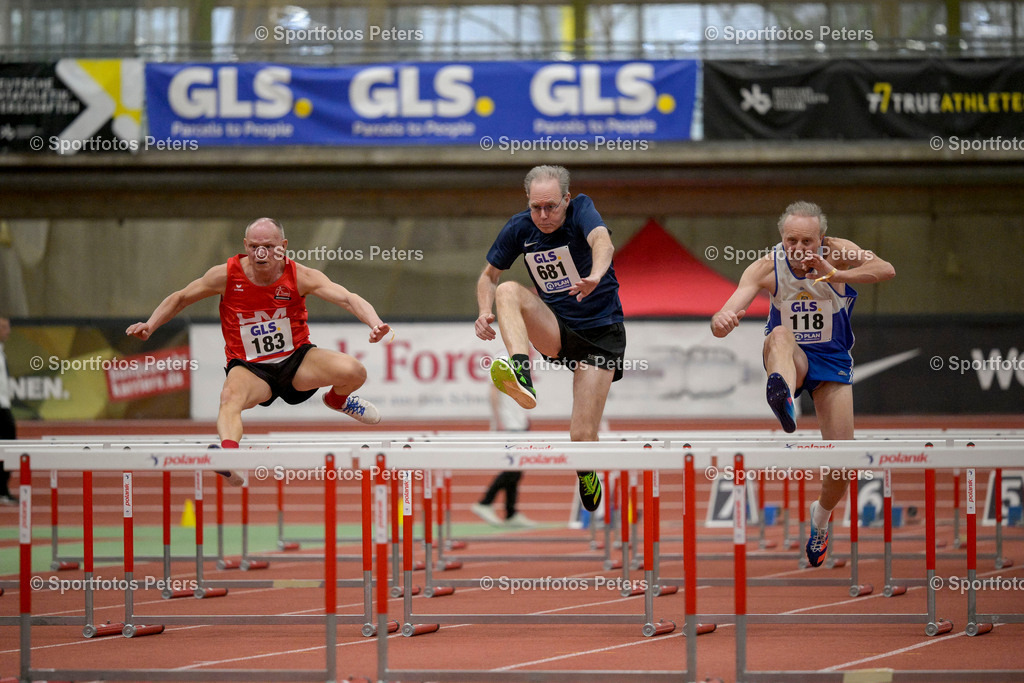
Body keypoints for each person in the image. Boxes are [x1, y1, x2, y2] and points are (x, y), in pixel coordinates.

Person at [127, 218, 389, 484]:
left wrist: (375, 323)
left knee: (355, 371)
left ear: (283, 246)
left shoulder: (300, 276)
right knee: (229, 398)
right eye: (254, 247)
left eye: (268, 246)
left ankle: (337, 400)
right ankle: (228, 459)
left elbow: (348, 298)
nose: (260, 253)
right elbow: (181, 298)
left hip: (296, 361)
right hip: (251, 369)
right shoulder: (226, 275)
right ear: (245, 246)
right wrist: (150, 324)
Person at [710, 201, 895, 567]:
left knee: (842, 466)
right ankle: (782, 395)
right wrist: (721, 321)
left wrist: (835, 273)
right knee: (779, 334)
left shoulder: (839, 251)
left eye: (807, 242)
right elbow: (724, 315)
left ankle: (820, 520)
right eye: (791, 240)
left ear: (821, 239)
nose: (798, 249)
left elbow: (885, 269)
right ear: (782, 238)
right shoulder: (767, 267)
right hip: (791, 357)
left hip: (832, 361)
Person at [475, 165, 626, 513]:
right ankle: (521, 371)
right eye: (536, 207)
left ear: (566, 199)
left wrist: (595, 275)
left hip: (601, 334)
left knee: (581, 435)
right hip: (557, 328)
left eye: (551, 207)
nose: (543, 215)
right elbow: (488, 276)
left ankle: (587, 472)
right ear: (527, 202)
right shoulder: (520, 227)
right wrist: (483, 311)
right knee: (507, 290)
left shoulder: (582, 210)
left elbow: (602, 241)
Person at [471, 384, 537, 528]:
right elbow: (494, 390)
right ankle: (485, 502)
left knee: (516, 470)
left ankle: (510, 513)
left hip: (519, 423)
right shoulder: (501, 367)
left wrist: (524, 417)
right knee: (513, 469)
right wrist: (498, 420)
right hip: (509, 425)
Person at [0, 317, 17, 505]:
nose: (8, 331)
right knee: (7, 448)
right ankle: (2, 490)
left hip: (4, 404)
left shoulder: (1, 352)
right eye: (3, 327)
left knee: (8, 448)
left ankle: (2, 489)